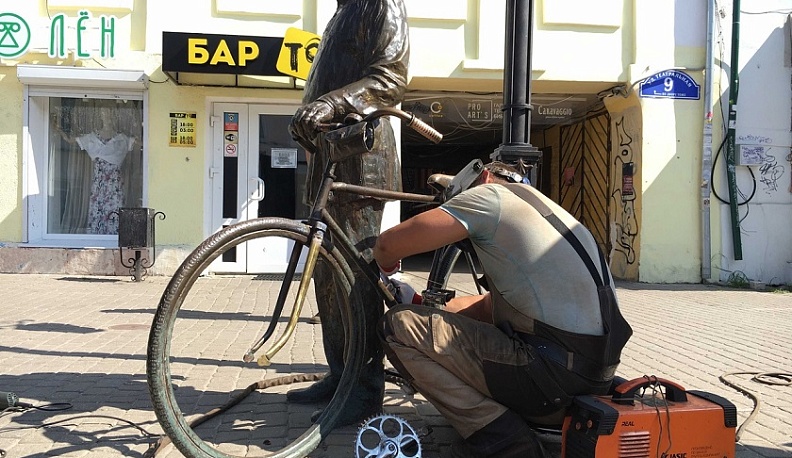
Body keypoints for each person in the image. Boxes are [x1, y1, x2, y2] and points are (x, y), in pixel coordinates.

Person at [374, 161, 633, 457]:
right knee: (420, 320)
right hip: (589, 384)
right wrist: (422, 306)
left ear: (484, 177)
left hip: (549, 384)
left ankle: (504, 441)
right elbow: (490, 307)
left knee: (397, 326)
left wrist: (386, 267)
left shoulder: (490, 197)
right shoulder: (548, 212)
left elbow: (387, 245)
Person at [286, 0, 410, 426]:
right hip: (330, 160)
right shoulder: (343, 12)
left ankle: (364, 388)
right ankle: (341, 375)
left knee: (356, 281)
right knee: (327, 279)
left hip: (360, 159)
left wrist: (329, 105)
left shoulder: (380, 4)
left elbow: (389, 78)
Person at [52, 104, 135, 234]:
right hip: (99, 185)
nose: (106, 116)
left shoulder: (122, 139)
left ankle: (114, 238)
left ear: (114, 116)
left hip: (115, 185)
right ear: (100, 116)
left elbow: (144, 143)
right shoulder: (91, 138)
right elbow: (69, 140)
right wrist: (56, 127)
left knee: (115, 211)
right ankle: (97, 238)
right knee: (98, 211)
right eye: (103, 113)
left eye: (108, 113)